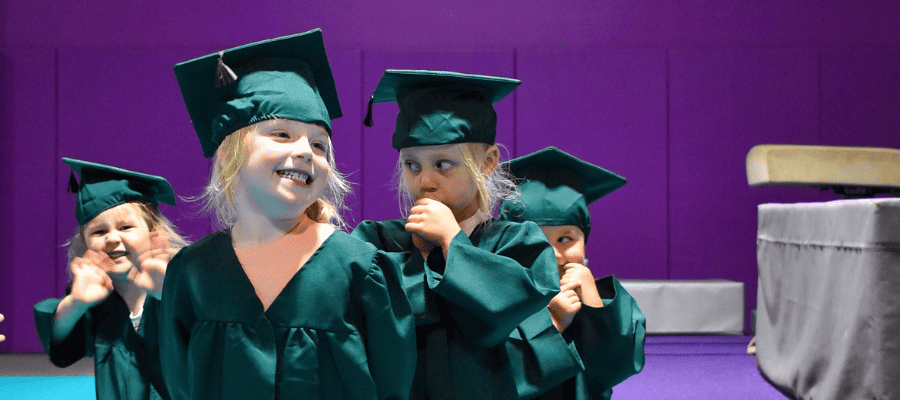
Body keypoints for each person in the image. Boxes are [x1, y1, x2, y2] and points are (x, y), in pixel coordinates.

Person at [159, 30, 415, 400]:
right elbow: (180, 386)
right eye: (281, 133)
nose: (306, 151)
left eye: (319, 144)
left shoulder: (362, 270)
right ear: (231, 153)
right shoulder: (192, 271)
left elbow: (392, 385)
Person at [353, 69, 559, 399]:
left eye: (444, 164)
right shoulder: (377, 241)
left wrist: (452, 241)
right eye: (412, 165)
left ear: (488, 162)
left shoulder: (518, 243)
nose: (425, 182)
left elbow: (502, 313)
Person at [33, 157, 187, 400]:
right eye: (99, 231)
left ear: (154, 233)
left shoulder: (183, 282)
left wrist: (170, 293)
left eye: (126, 227)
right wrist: (76, 303)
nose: (112, 238)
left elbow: (214, 347)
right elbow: (61, 347)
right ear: (85, 244)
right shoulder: (100, 298)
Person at [500, 146, 646, 400]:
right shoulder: (495, 299)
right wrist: (552, 324)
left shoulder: (604, 301)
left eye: (566, 239)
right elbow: (493, 378)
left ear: (585, 241)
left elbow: (614, 369)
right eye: (534, 239)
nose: (553, 254)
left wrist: (591, 301)